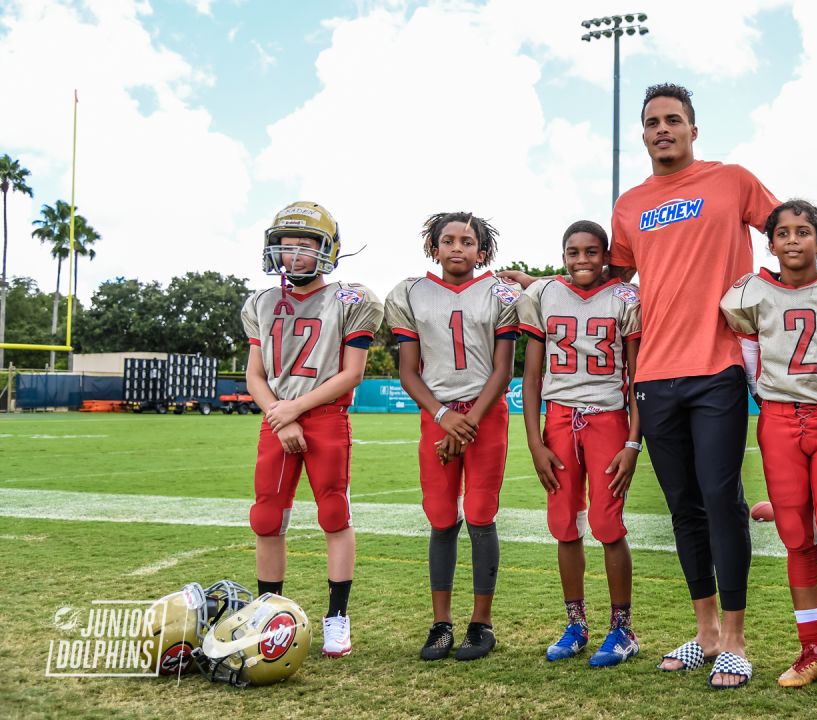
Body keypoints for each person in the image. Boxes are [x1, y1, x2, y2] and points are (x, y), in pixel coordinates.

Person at [500, 83, 817, 689]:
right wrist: (540, 279)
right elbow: (608, 276)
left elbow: (799, 227)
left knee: (722, 499)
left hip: (719, 367)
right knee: (684, 508)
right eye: (651, 122)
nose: (661, 129)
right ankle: (704, 631)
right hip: (654, 373)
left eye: (673, 120)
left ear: (694, 129)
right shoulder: (630, 205)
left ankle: (735, 638)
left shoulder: (730, 180)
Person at [719, 199, 817, 692]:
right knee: (797, 539)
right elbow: (751, 364)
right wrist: (772, 405)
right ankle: (813, 649)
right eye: (783, 232)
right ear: (770, 243)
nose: (792, 240)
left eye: (803, 231)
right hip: (780, 421)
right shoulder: (751, 292)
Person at [241, 201, 384, 659]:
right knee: (266, 517)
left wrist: (293, 409)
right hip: (277, 418)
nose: (296, 254)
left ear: (328, 249)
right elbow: (255, 375)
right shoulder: (261, 302)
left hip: (324, 416)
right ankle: (267, 612)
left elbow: (352, 373)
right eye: (287, 245)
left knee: (333, 514)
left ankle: (337, 617)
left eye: (307, 245)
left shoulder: (352, 299)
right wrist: (278, 415)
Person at [384, 212, 520, 663]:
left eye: (467, 241)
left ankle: (482, 622)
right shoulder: (410, 294)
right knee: (441, 517)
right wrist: (444, 417)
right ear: (434, 247)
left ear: (482, 251)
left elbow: (503, 370)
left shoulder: (500, 293)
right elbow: (408, 370)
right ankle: (441, 623)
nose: (457, 248)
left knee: (481, 513)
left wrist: (468, 421)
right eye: (448, 240)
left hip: (486, 415)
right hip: (437, 417)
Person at [516, 220, 643, 668]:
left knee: (608, 525)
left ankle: (622, 629)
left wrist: (633, 441)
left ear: (607, 255)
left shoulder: (625, 297)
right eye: (574, 252)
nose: (583, 260)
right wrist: (535, 443)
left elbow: (636, 377)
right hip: (558, 418)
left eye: (592, 251)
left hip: (607, 418)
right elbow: (531, 377)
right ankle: (576, 624)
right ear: (563, 255)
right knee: (564, 525)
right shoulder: (543, 294)